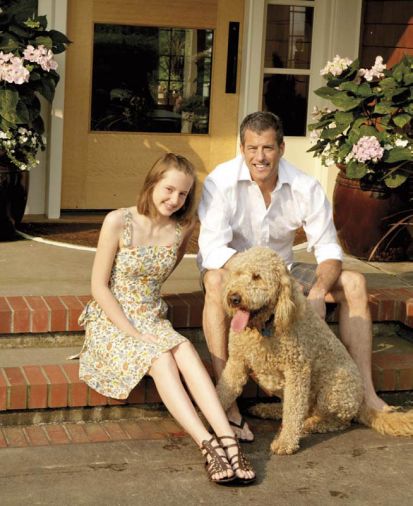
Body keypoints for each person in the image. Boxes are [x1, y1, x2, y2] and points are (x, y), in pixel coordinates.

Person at [198, 111, 391, 443]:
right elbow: (213, 248)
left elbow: (329, 248)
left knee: (355, 283)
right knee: (216, 282)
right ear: (242, 148)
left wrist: (317, 291)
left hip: (281, 274)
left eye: (268, 148)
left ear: (282, 148)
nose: (260, 157)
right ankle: (228, 401)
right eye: (253, 148)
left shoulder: (304, 184)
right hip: (232, 268)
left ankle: (368, 394)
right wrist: (251, 280)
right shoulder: (220, 181)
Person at [78, 153, 255, 485]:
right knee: (160, 357)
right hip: (113, 317)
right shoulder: (118, 221)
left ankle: (229, 443)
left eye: (183, 194)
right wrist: (133, 332)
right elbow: (99, 287)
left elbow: (162, 272)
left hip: (151, 314)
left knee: (185, 348)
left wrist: (147, 319)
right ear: (152, 182)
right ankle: (208, 446)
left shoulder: (181, 228)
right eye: (169, 189)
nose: (175, 200)